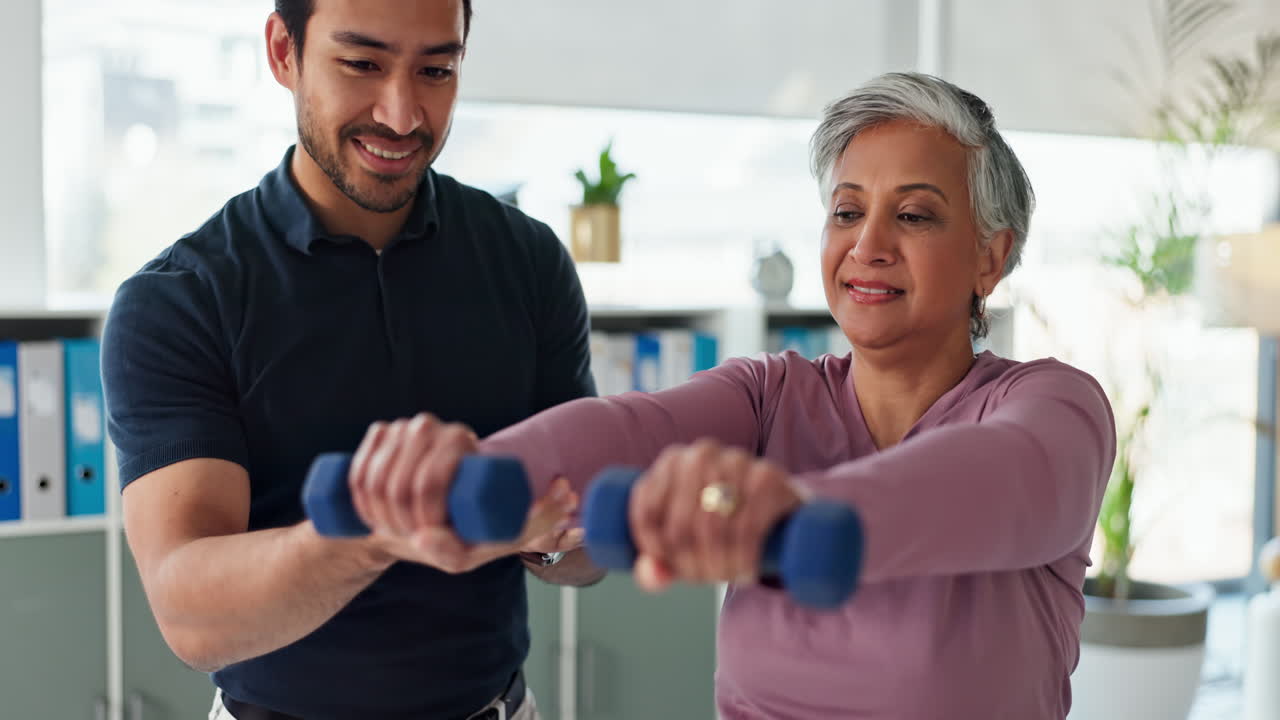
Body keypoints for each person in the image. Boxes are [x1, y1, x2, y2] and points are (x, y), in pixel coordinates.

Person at [349, 72, 1117, 719]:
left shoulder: (1055, 410)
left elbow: (986, 479)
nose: (868, 244)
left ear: (991, 256)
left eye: (913, 215)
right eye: (847, 212)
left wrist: (794, 516)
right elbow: (629, 429)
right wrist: (477, 471)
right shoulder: (771, 396)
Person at [100, 1, 606, 719]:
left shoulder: (527, 262)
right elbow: (190, 618)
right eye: (362, 64)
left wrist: (560, 535)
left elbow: (584, 554)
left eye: (436, 69)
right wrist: (371, 536)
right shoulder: (182, 299)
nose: (402, 115)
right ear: (285, 52)